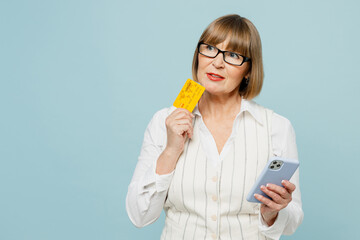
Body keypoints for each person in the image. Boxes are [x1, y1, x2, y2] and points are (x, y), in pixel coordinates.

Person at [126, 14, 303, 240]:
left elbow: (293, 219)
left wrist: (272, 214)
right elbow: (139, 216)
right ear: (198, 55)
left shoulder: (276, 127)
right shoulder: (164, 121)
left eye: (232, 55)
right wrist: (171, 150)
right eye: (210, 48)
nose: (217, 63)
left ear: (248, 70)